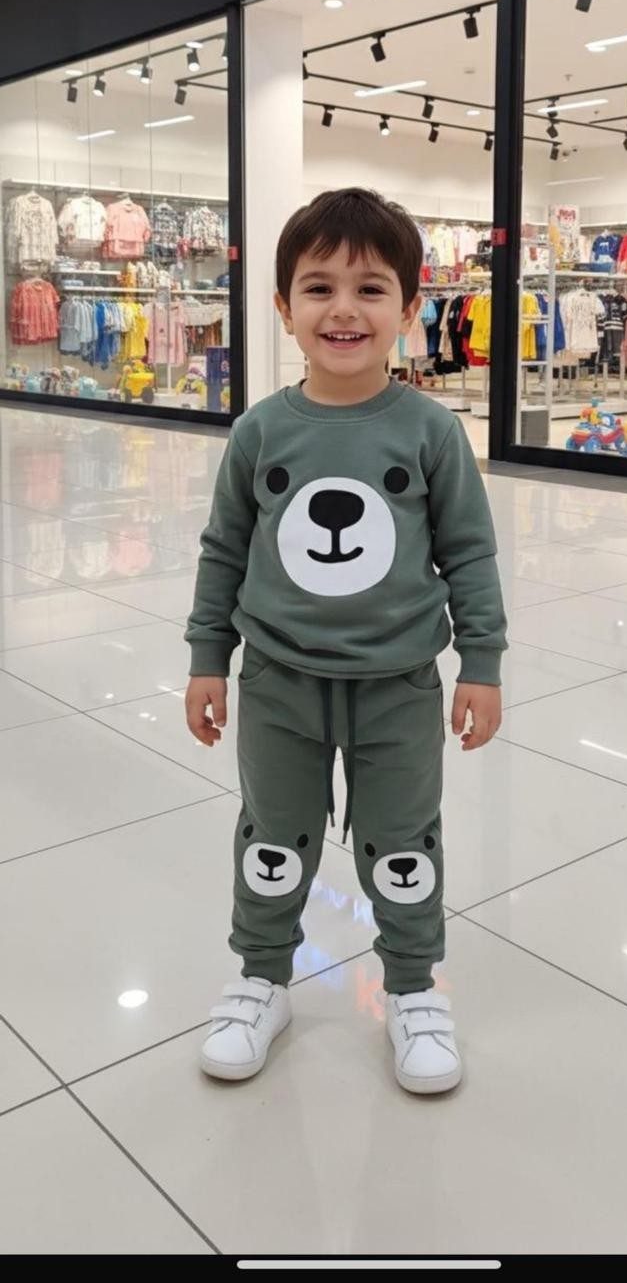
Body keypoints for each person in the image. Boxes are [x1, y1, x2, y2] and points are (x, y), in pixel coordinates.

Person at [185, 187, 507, 1094]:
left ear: (411, 308)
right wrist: (208, 657)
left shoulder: (431, 430)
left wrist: (481, 662)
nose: (344, 310)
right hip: (277, 679)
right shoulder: (260, 430)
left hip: (398, 684)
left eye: (371, 289)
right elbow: (224, 550)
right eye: (319, 287)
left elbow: (469, 552)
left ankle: (412, 987)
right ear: (282, 306)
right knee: (273, 836)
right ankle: (261, 977)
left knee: (403, 844)